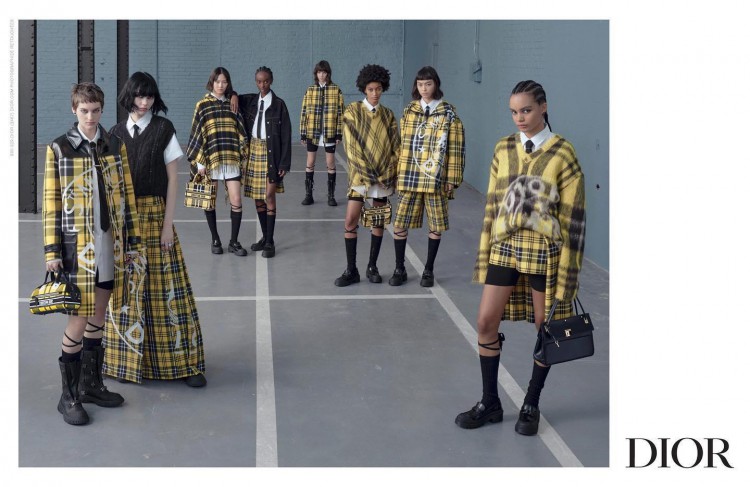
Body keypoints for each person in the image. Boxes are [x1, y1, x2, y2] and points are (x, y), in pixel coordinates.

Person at [455, 80, 586, 436]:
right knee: (485, 322)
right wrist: (485, 254)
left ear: (543, 106)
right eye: (514, 112)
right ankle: (490, 402)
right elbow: (493, 205)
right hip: (505, 247)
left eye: (526, 110)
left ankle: (531, 402)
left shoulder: (563, 153)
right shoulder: (503, 148)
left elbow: (574, 219)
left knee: (546, 329)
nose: (519, 118)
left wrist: (568, 278)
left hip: (544, 251)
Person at [43, 82, 143, 425]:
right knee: (78, 318)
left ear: (102, 110)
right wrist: (51, 250)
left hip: (109, 244)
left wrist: (133, 242)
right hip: (76, 249)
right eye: (84, 111)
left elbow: (128, 195)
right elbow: (51, 204)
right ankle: (68, 396)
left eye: (96, 110)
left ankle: (90, 385)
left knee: (99, 314)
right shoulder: (59, 148)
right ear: (74, 110)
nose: (90, 116)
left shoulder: (114, 145)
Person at [104, 71, 206, 387]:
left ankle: (184, 365)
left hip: (155, 213)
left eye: (149, 96)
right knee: (127, 291)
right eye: (139, 95)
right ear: (129, 96)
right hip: (125, 219)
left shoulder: (164, 129)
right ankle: (125, 364)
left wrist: (167, 226)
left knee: (168, 290)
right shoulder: (115, 133)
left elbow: (174, 179)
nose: (145, 102)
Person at [389, 66, 465, 288]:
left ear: (436, 84)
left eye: (428, 84)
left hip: (436, 178)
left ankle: (428, 270)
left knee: (435, 225)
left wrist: (452, 178)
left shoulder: (448, 113)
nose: (424, 88)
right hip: (409, 175)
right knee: (400, 223)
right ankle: (399, 268)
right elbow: (401, 144)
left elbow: (456, 148)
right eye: (420, 84)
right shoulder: (409, 110)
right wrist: (397, 173)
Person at [334, 64, 400, 286]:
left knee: (377, 221)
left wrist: (387, 173)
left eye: (378, 89)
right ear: (364, 89)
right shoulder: (352, 112)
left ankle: (372, 266)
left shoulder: (388, 115)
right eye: (371, 89)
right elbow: (351, 148)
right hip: (360, 178)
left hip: (383, 179)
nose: (375, 93)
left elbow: (396, 148)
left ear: (383, 88)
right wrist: (371, 174)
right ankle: (351, 269)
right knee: (350, 220)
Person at [186, 67, 248, 256]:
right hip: (210, 160)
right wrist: (200, 163)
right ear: (212, 82)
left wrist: (234, 95)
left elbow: (240, 130)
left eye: (224, 82)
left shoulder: (232, 104)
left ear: (228, 84)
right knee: (209, 201)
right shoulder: (202, 105)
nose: (221, 85)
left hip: (231, 159)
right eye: (218, 81)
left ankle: (234, 242)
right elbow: (197, 133)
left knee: (236, 200)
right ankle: (215, 239)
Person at [231, 66, 292, 259]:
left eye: (265, 81)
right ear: (255, 82)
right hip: (254, 151)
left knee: (269, 195)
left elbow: (286, 135)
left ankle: (270, 241)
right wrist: (233, 95)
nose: (262, 85)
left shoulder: (279, 105)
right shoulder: (250, 101)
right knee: (258, 198)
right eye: (259, 81)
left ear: (271, 81)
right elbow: (232, 95)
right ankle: (265, 237)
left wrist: (284, 164)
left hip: (271, 153)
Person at [299, 60, 345, 206]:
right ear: (316, 73)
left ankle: (331, 196)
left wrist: (339, 133)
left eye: (324, 72)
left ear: (328, 74)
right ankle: (308, 195)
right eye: (319, 72)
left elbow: (341, 114)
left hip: (329, 132)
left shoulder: (336, 90)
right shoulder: (310, 90)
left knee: (330, 163)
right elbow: (304, 112)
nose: (321, 75)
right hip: (312, 132)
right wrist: (303, 133)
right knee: (310, 162)